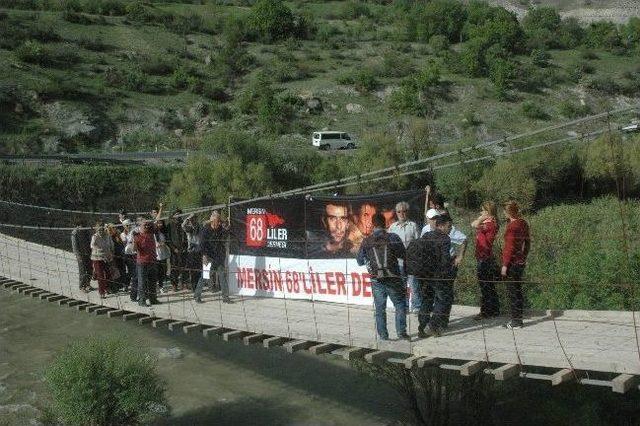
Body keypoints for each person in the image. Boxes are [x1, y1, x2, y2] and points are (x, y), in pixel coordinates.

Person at [357, 212, 409, 341]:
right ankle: (401, 333)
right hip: (394, 277)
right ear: (385, 223)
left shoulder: (366, 241)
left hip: (376, 279)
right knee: (400, 304)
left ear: (372, 224)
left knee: (380, 308)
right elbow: (403, 255)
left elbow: (359, 261)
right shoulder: (393, 237)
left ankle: (383, 336)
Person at [408, 214, 455, 338]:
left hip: (424, 275)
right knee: (444, 299)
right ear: (441, 225)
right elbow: (445, 260)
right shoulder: (445, 239)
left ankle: (422, 329)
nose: (450, 229)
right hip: (438, 275)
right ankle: (432, 325)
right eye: (449, 226)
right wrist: (448, 270)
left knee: (426, 301)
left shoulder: (426, 235)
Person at [387, 201, 421, 313]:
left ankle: (416, 306)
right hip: (399, 262)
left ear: (408, 212)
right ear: (396, 213)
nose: (402, 213)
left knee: (414, 285)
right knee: (401, 286)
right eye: (399, 211)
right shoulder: (392, 227)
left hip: (411, 261)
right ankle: (404, 307)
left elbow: (418, 243)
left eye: (404, 211)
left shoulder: (413, 226)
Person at [501, 201, 531, 329]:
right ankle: (518, 319)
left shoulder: (512, 227)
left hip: (512, 264)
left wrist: (505, 265)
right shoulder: (523, 223)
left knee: (512, 292)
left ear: (508, 212)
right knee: (517, 291)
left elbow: (510, 247)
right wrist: (524, 256)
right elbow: (528, 242)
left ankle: (515, 321)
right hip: (520, 262)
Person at [471, 201, 500, 320]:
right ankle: (494, 309)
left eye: (483, 210)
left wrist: (482, 218)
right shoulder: (489, 223)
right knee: (489, 285)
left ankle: (486, 312)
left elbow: (474, 224)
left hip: (485, 258)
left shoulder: (490, 224)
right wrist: (483, 217)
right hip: (484, 256)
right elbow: (473, 223)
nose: (480, 212)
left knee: (485, 286)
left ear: (488, 212)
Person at [195, 211, 231, 303]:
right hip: (208, 256)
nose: (219, 223)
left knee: (222, 276)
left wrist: (226, 229)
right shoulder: (205, 230)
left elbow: (225, 237)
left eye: (220, 221)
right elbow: (202, 245)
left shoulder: (220, 229)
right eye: (218, 221)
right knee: (204, 276)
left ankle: (225, 297)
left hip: (219, 257)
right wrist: (204, 256)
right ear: (212, 221)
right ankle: (197, 296)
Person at [134, 220, 159, 307]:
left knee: (152, 281)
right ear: (140, 227)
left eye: (148, 225)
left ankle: (153, 299)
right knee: (142, 283)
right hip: (142, 262)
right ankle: (142, 300)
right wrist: (134, 241)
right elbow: (134, 249)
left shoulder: (151, 232)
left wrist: (148, 222)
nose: (147, 226)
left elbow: (155, 222)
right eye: (144, 225)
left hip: (152, 260)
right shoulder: (137, 236)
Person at [90, 222, 114, 299]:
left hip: (107, 257)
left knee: (108, 273)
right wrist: (100, 248)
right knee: (100, 275)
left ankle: (107, 287)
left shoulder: (107, 236)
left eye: (102, 230)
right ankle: (101, 292)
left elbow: (111, 245)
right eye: (99, 230)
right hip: (97, 258)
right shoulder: (95, 236)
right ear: (96, 230)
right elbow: (92, 245)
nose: (100, 231)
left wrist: (111, 253)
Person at [168, 208, 187, 291]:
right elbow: (168, 239)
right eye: (176, 214)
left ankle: (184, 283)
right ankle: (174, 284)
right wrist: (173, 248)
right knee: (174, 267)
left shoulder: (183, 224)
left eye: (179, 214)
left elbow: (186, 237)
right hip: (173, 250)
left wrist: (184, 247)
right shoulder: (169, 225)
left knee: (184, 266)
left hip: (183, 248)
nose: (178, 216)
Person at [182, 213, 201, 290]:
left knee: (199, 269)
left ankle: (198, 286)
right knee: (192, 270)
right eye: (192, 219)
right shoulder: (188, 228)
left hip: (199, 250)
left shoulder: (199, 226)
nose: (193, 220)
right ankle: (194, 286)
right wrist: (188, 218)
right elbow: (182, 225)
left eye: (194, 219)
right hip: (191, 251)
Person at [71, 226, 93, 293]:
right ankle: (82, 286)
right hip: (81, 255)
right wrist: (78, 255)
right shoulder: (75, 233)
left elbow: (90, 241)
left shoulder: (86, 231)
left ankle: (87, 283)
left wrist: (91, 252)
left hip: (88, 254)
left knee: (90, 269)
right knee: (82, 270)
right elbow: (74, 246)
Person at [120, 219, 138, 300]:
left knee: (134, 273)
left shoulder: (134, 230)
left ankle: (133, 292)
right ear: (124, 226)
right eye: (126, 225)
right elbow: (126, 244)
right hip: (127, 255)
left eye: (129, 225)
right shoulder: (123, 234)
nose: (128, 226)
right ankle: (127, 286)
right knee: (132, 273)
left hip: (135, 253)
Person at [106, 223, 125, 293]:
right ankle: (112, 287)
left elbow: (121, 244)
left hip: (119, 255)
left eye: (115, 228)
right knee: (113, 272)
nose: (115, 229)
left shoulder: (118, 235)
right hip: (112, 256)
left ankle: (120, 285)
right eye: (112, 228)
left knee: (121, 270)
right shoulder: (108, 237)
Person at [154, 219, 170, 293]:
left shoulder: (163, 232)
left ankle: (161, 286)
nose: (160, 224)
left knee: (163, 271)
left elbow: (166, 241)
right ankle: (156, 286)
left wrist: (164, 243)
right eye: (158, 223)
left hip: (163, 254)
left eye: (161, 223)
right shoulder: (154, 233)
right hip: (156, 255)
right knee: (156, 271)